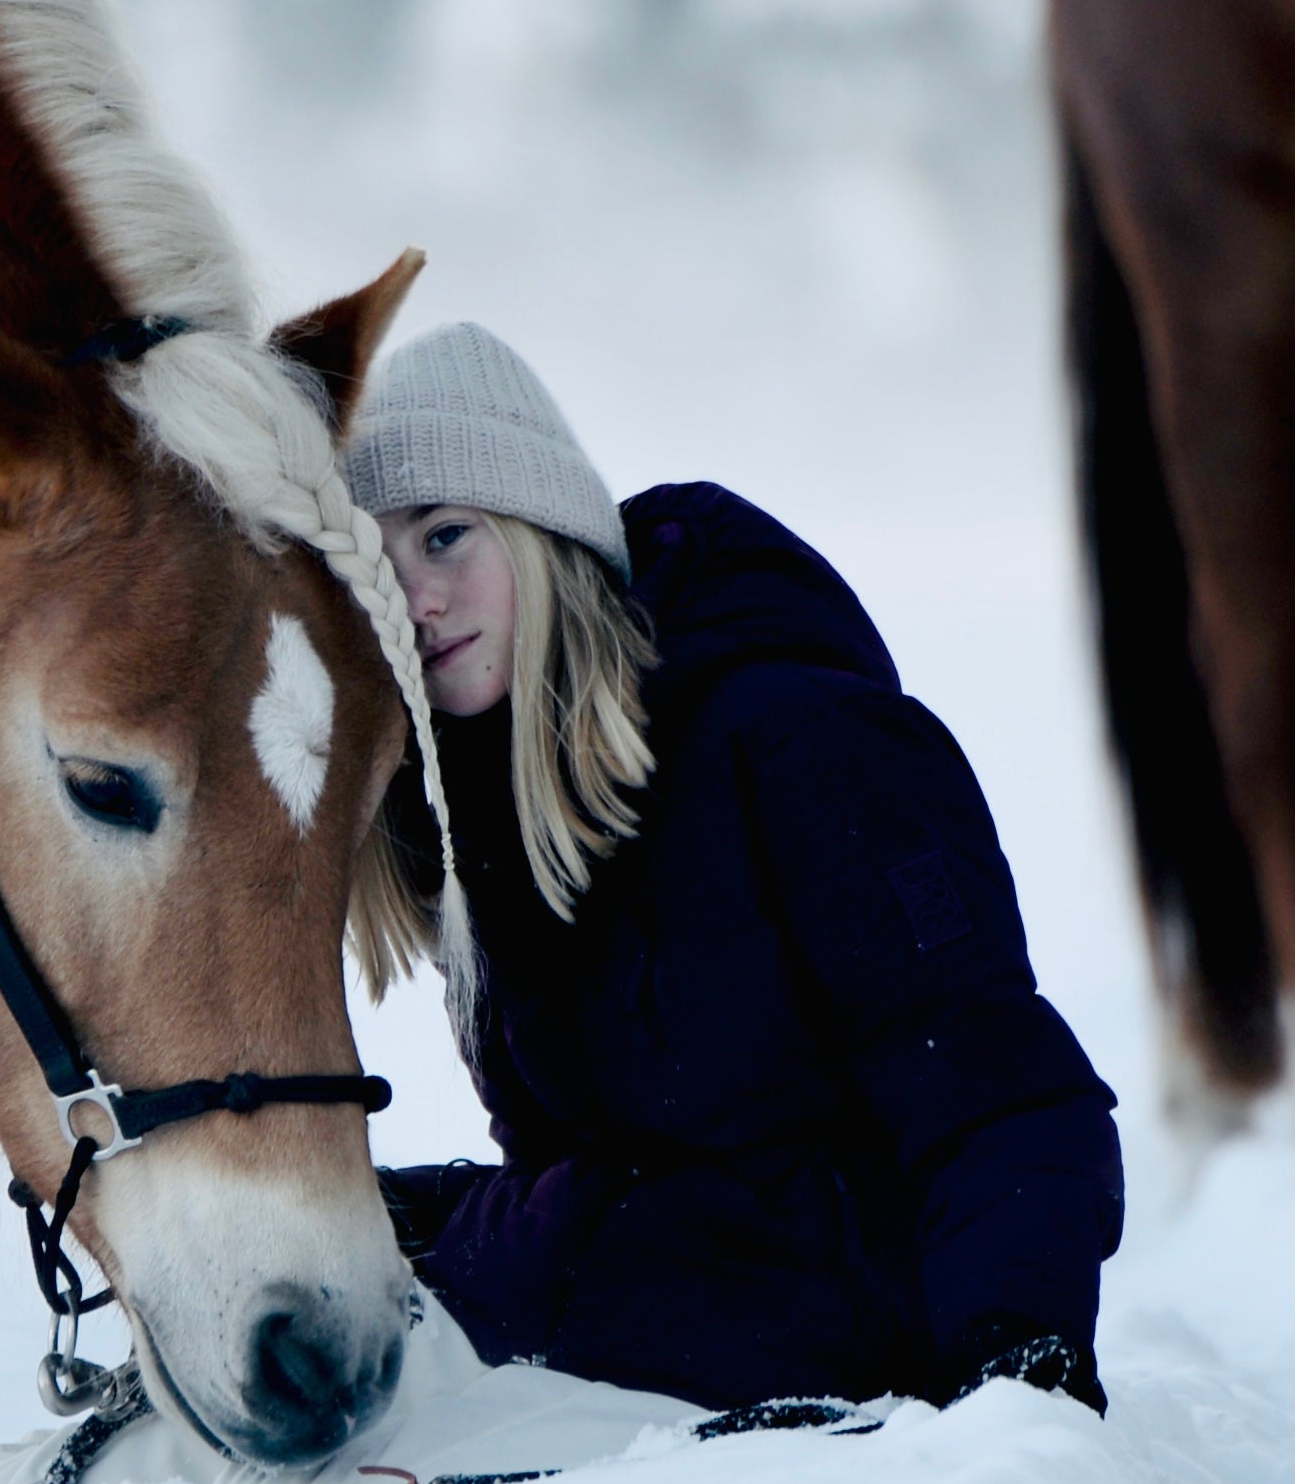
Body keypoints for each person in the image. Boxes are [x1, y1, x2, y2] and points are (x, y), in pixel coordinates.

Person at [345, 321, 1123, 1417]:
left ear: (539, 529)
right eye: (376, 565)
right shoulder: (476, 822)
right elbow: (596, 1178)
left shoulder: (803, 742)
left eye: (442, 537)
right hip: (636, 1389)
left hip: (848, 1386)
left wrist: (1016, 1366)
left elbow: (992, 1092)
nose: (415, 597)